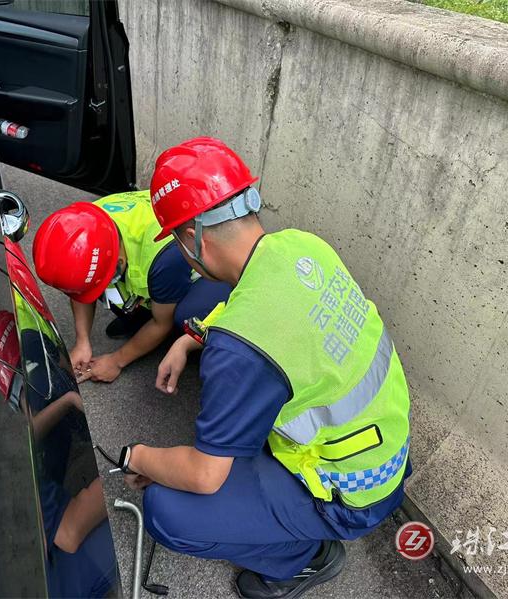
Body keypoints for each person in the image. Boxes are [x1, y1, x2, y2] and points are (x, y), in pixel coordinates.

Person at [110, 138, 412, 599]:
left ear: (193, 236)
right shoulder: (299, 246)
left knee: (166, 510)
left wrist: (138, 456)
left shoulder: (238, 352)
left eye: (175, 238)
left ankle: (304, 560)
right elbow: (259, 305)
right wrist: (191, 340)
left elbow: (203, 475)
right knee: (209, 313)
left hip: (350, 493)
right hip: (386, 443)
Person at [32, 191, 231, 383]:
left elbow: (162, 323)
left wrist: (116, 361)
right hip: (155, 268)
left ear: (118, 259)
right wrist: (82, 342)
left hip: (213, 273)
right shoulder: (88, 221)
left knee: (184, 316)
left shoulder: (164, 261)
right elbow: (79, 289)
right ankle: (143, 315)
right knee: (107, 288)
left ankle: (204, 337)